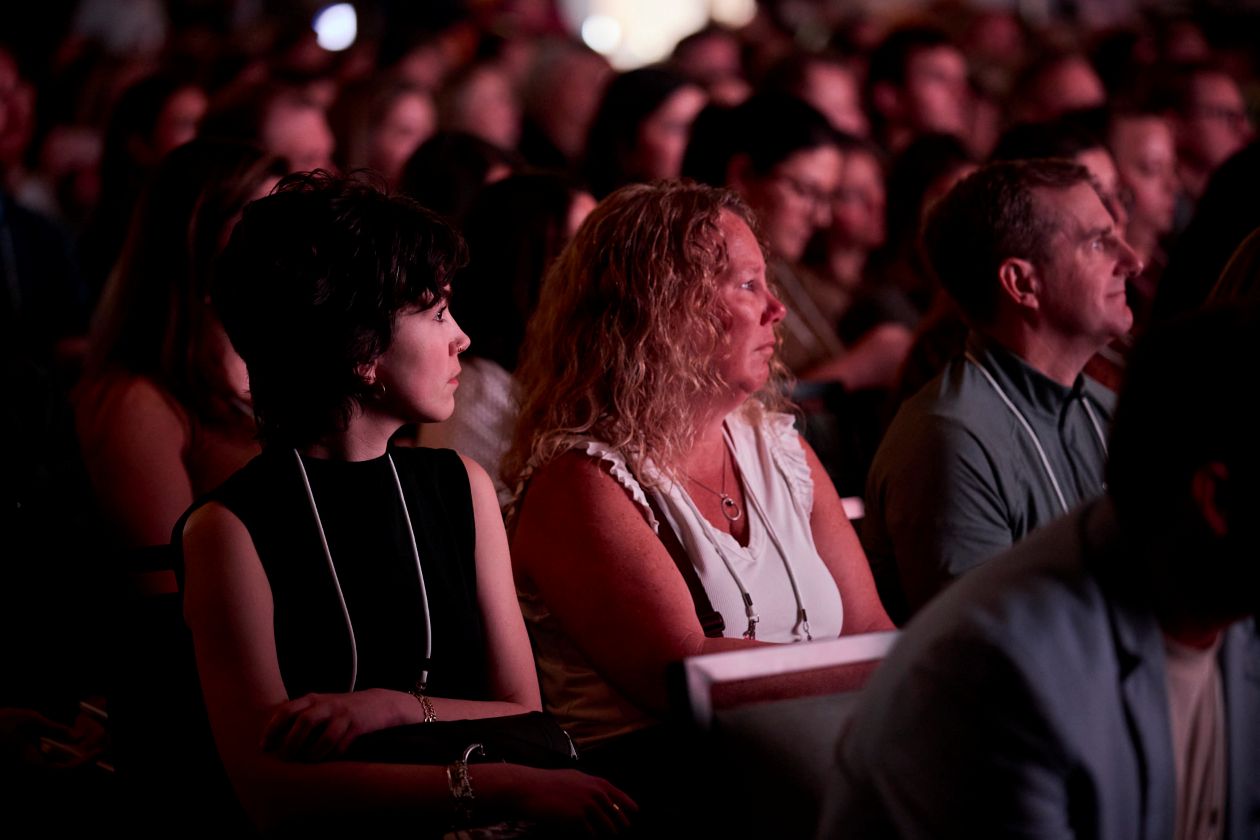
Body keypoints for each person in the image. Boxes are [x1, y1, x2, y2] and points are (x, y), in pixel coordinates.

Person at [180, 171, 635, 836]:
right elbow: (270, 791)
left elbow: (523, 709)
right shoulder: (229, 528)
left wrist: (391, 708)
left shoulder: (459, 485)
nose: (462, 337)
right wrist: (503, 785)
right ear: (362, 351)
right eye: (436, 312)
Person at [504, 180, 893, 817]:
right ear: (665, 309)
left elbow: (870, 628)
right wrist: (894, 666)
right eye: (748, 285)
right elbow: (683, 673)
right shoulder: (581, 481)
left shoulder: (780, 447)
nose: (776, 308)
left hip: (810, 772)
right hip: (673, 800)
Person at [817, 303, 1260, 840]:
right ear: (1216, 500)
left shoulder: (1229, 619)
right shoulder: (1005, 682)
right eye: (1098, 250)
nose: (1133, 264)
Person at [863, 159, 1142, 624]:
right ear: (1022, 283)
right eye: (1098, 242)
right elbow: (985, 647)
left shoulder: (1111, 410)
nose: (1133, 261)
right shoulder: (949, 441)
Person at [74, 138, 285, 554]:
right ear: (195, 241)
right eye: (263, 224)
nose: (291, 243)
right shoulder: (137, 402)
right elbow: (165, 580)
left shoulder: (285, 369)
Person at [417, 172, 595, 507]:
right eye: (574, 248)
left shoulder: (566, 369)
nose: (597, 268)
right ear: (520, 265)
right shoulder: (473, 394)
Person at [581, 66, 707, 200]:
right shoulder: (584, 207)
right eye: (677, 128)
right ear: (626, 143)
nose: (701, 141)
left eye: (705, 126)